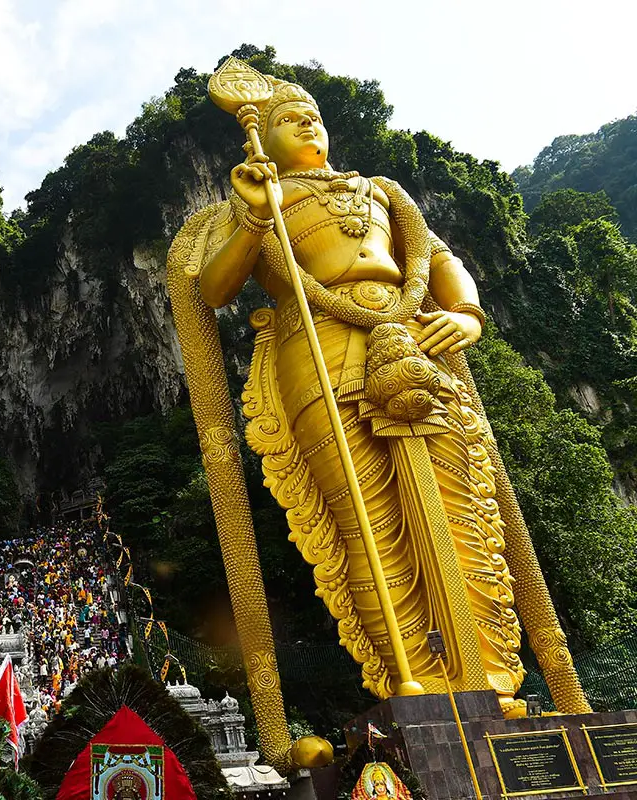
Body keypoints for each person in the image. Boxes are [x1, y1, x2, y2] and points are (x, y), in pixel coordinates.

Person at [190, 73, 528, 712]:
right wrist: (256, 220)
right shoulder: (256, 200)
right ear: (263, 135)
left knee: (459, 508)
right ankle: (413, 680)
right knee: (366, 516)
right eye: (292, 119)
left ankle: (488, 675)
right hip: (317, 348)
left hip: (409, 339)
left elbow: (438, 256)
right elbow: (212, 289)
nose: (309, 124)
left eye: (314, 115)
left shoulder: (380, 192)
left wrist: (467, 313)